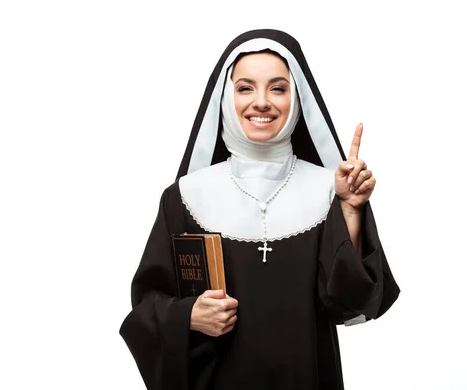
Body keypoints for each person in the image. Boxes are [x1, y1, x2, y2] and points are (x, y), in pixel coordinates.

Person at [119, 29, 400, 390]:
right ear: (226, 98)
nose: (262, 102)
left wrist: (349, 211)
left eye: (278, 88)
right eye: (246, 88)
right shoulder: (187, 196)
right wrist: (188, 315)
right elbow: (145, 308)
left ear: (297, 99)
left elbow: (349, 304)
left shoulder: (329, 190)